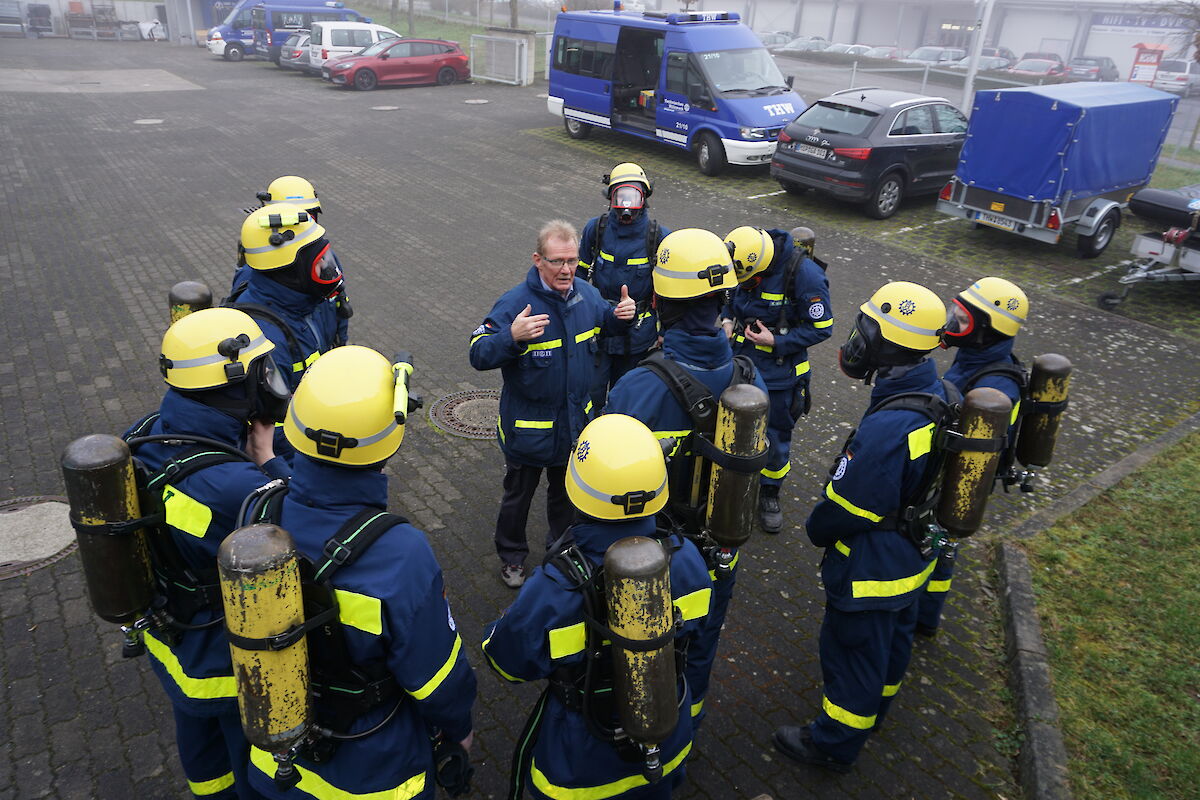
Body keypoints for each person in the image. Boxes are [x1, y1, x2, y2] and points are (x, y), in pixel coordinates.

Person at [247, 345, 477, 799]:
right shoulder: (400, 554)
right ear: (387, 441)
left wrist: (270, 461)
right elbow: (436, 677)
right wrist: (459, 728)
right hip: (373, 771)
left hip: (274, 760)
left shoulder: (259, 512)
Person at [481, 414, 712, 799]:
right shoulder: (687, 561)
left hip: (580, 765)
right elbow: (699, 638)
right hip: (667, 742)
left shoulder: (555, 589)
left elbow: (507, 663)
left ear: (577, 489)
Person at [773, 281, 948, 773]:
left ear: (891, 344)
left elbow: (844, 506)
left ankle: (832, 743)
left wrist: (814, 528)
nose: (857, 338)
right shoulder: (935, 392)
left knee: (852, 657)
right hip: (911, 561)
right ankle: (877, 711)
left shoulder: (890, 429)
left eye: (868, 330)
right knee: (892, 644)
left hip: (871, 569)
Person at [124, 307, 293, 800]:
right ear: (235, 385)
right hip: (221, 659)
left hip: (169, 635)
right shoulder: (233, 486)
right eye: (263, 371)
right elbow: (296, 530)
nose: (271, 381)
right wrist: (271, 460)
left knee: (199, 744)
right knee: (249, 764)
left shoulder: (153, 428)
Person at [604, 227, 765, 725]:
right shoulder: (748, 379)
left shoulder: (637, 387)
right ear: (722, 299)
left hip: (652, 556)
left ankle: (645, 733)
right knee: (702, 644)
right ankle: (687, 728)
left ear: (660, 301)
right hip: (719, 549)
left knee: (645, 653)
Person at [469, 219, 636, 588]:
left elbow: (603, 324)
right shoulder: (515, 304)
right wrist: (510, 338)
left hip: (574, 428)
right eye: (558, 261)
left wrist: (620, 318)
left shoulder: (587, 295)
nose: (567, 270)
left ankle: (560, 552)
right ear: (537, 260)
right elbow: (478, 353)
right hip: (529, 432)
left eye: (573, 261)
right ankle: (512, 556)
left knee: (565, 498)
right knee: (518, 498)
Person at [918, 277, 1030, 636]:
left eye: (962, 320)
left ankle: (924, 618)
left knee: (941, 547)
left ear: (987, 330)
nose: (952, 326)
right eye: (954, 315)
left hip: (958, 480)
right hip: (950, 471)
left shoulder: (996, 389)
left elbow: (974, 450)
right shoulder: (975, 357)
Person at [720, 225, 833, 534]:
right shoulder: (744, 258)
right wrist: (729, 318)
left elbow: (822, 327)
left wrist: (776, 342)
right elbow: (732, 294)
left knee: (776, 436)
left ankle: (769, 491)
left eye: (752, 280)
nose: (748, 284)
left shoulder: (805, 275)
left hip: (780, 374)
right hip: (740, 361)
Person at [228, 204, 344, 461]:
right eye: (319, 261)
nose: (328, 266)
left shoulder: (306, 302)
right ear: (292, 272)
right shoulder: (264, 340)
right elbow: (269, 433)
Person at [578, 163, 671, 411]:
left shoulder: (659, 237)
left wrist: (667, 332)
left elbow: (671, 293)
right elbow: (576, 278)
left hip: (637, 338)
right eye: (621, 196)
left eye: (633, 197)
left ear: (644, 198)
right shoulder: (595, 230)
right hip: (599, 331)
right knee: (590, 396)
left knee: (628, 400)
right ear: (611, 198)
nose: (627, 206)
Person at [233, 175, 351, 347]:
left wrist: (340, 346)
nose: (302, 226)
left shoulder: (324, 261)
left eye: (309, 217)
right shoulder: (252, 280)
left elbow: (339, 305)